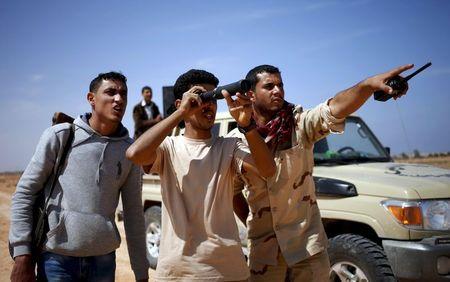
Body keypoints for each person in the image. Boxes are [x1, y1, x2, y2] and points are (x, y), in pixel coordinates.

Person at [230, 64, 413, 282]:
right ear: (251, 94)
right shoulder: (237, 142)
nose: (277, 90)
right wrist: (256, 222)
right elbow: (234, 193)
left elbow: (335, 108)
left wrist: (367, 85)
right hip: (265, 253)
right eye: (269, 86)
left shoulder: (298, 124)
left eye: (280, 85)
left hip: (307, 247)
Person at [126, 69, 276, 281]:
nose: (209, 104)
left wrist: (247, 126)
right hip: (177, 273)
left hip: (228, 272)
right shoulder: (168, 148)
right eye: (201, 97)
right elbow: (134, 154)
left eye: (213, 97)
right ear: (181, 104)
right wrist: (180, 114)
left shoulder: (230, 146)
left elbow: (268, 170)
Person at [9, 72, 149, 281]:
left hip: (104, 262)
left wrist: (141, 272)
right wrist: (22, 255)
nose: (119, 99)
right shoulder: (61, 136)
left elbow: (134, 214)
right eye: (110, 92)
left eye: (123, 94)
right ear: (91, 99)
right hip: (57, 261)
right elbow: (24, 193)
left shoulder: (130, 151)